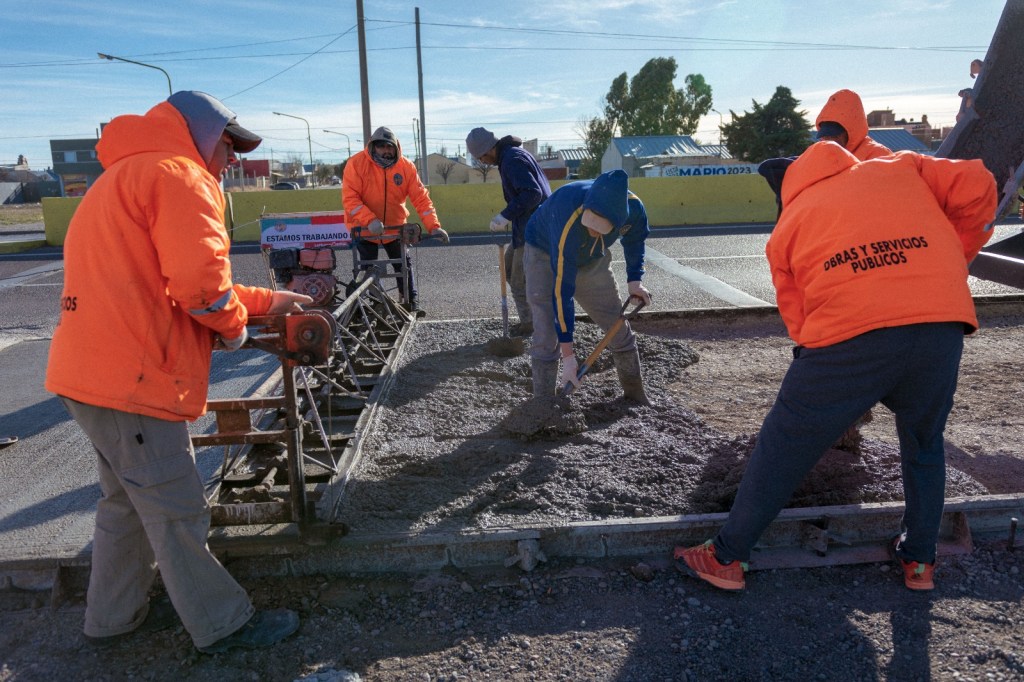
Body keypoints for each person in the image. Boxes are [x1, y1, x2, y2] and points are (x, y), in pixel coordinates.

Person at [45, 91, 311, 653]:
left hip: (90, 373)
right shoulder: (180, 176)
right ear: (200, 134)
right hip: (132, 380)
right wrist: (236, 328)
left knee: (125, 504)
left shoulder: (123, 177)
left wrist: (271, 300)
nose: (233, 158)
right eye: (229, 144)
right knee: (177, 510)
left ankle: (111, 619)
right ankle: (223, 625)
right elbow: (199, 289)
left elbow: (174, 281)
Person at [675, 141, 997, 593]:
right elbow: (979, 181)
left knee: (785, 442)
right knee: (924, 445)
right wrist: (952, 259)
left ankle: (726, 556)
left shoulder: (789, 224)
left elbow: (799, 320)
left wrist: (817, 388)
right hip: (940, 326)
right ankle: (921, 561)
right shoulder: (900, 166)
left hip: (850, 336)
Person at [524, 169, 652, 404]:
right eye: (590, 222)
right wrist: (569, 357)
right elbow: (562, 293)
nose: (592, 229)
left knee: (616, 321)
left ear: (617, 221)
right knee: (545, 327)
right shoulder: (569, 218)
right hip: (543, 250)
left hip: (592, 258)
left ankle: (635, 395)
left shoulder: (634, 210)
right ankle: (542, 405)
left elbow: (635, 240)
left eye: (599, 227)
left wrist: (635, 281)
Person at [342, 127, 449, 312]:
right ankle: (372, 305)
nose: (386, 151)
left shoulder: (406, 167)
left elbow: (421, 198)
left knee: (403, 265)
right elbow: (350, 198)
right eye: (381, 146)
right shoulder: (356, 164)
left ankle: (409, 301)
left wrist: (433, 226)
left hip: (395, 228)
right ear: (373, 147)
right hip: (365, 228)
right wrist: (369, 220)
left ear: (396, 147)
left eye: (389, 147)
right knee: (369, 268)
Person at [466, 127, 552, 337]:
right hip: (528, 227)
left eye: (480, 158)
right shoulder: (513, 156)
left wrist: (506, 215)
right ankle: (535, 319)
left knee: (518, 281)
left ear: (488, 150)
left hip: (534, 230)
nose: (482, 162)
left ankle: (531, 325)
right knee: (509, 268)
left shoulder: (512, 160)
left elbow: (532, 192)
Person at [815, 89, 892, 161]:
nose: (829, 141)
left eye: (835, 136)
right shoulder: (819, 157)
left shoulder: (879, 155)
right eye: (825, 136)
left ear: (850, 133)